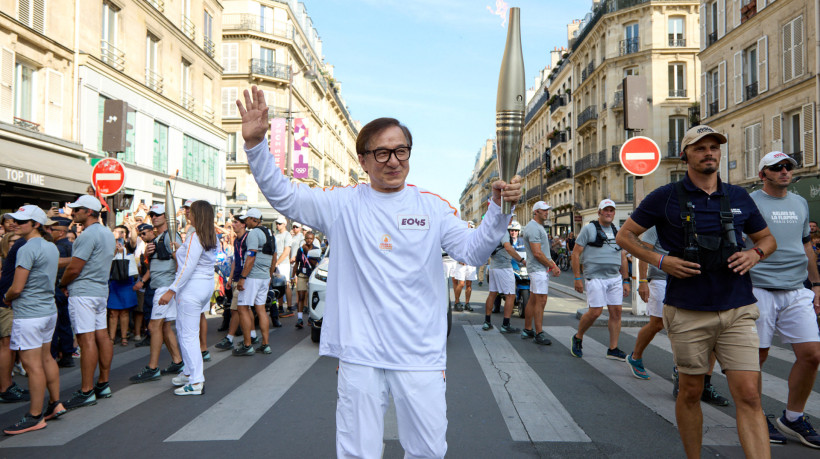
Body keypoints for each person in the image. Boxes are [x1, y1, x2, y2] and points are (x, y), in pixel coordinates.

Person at [236, 87, 521, 458]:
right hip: (361, 354)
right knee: (358, 453)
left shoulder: (432, 209)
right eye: (382, 152)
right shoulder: (342, 205)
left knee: (428, 452)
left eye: (401, 150)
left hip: (419, 355)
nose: (393, 160)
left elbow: (473, 250)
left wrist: (498, 210)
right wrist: (257, 146)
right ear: (363, 159)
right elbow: (285, 196)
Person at [616, 125, 776, 459]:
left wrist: (754, 253)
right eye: (700, 147)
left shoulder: (738, 196)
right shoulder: (666, 196)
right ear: (685, 155)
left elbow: (767, 239)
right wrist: (661, 260)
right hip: (688, 309)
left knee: (749, 395)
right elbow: (626, 236)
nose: (709, 153)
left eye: (714, 147)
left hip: (737, 308)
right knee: (690, 391)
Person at [748, 151, 820, 448]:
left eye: (788, 167)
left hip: (796, 289)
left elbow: (806, 246)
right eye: (776, 168)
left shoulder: (800, 202)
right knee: (757, 358)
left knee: (812, 355)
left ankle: (792, 417)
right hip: (758, 287)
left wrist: (816, 285)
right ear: (763, 173)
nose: (784, 171)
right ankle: (756, 415)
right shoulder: (750, 201)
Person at [2, 206, 66, 434]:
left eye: (23, 221)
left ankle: (35, 415)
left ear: (36, 224)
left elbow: (17, 287)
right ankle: (55, 403)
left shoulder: (28, 248)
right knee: (47, 358)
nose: (16, 224)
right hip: (48, 310)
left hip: (29, 313)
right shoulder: (50, 246)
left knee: (32, 365)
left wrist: (6, 297)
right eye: (16, 220)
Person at [60, 195, 115, 410]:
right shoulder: (107, 233)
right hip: (100, 290)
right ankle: (103, 383)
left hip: (83, 291)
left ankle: (86, 390)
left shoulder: (87, 235)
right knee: (102, 335)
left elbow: (74, 268)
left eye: (77, 210)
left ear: (89, 212)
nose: (73, 213)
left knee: (86, 340)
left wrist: (62, 284)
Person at [158, 200, 217, 395]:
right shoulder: (209, 236)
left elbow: (187, 267)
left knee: (188, 334)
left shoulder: (195, 237)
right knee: (185, 331)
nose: (186, 213)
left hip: (191, 289)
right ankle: (189, 371)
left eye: (189, 211)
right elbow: (194, 260)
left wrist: (171, 290)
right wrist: (180, 248)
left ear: (197, 214)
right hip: (204, 287)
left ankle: (197, 381)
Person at [129, 205, 185, 383]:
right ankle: (177, 361)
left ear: (166, 216)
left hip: (165, 287)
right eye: (151, 215)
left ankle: (152, 368)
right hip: (161, 285)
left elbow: (181, 262)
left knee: (154, 327)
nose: (153, 217)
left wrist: (173, 289)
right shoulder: (159, 238)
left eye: (157, 214)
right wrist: (147, 255)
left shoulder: (170, 235)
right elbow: (154, 266)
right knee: (165, 326)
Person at [570, 199, 630, 360]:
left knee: (616, 312)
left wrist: (626, 280)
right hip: (594, 277)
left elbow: (622, 256)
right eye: (606, 210)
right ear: (599, 212)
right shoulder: (589, 229)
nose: (609, 213)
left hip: (614, 278)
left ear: (614, 213)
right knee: (595, 312)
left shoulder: (618, 231)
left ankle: (613, 348)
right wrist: (577, 278)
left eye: (611, 210)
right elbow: (575, 254)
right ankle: (578, 337)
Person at [233, 208, 273, 356]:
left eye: (247, 219)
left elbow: (251, 257)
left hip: (253, 276)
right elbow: (274, 256)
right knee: (261, 309)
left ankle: (247, 345)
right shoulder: (269, 233)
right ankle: (265, 344)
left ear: (253, 219)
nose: (245, 222)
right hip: (264, 277)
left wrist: (242, 278)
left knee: (243, 308)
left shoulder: (254, 234)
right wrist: (269, 275)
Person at [520, 202, 561, 345]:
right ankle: (539, 333)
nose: (547, 212)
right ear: (536, 212)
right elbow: (537, 253)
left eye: (547, 210)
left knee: (533, 299)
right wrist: (552, 266)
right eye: (544, 210)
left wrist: (552, 264)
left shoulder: (537, 227)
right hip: (537, 269)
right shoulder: (533, 228)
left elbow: (543, 251)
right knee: (540, 300)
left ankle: (527, 329)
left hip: (539, 268)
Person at [0, 223, 28, 403]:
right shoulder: (3, 260)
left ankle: (8, 384)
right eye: (12, 242)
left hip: (10, 304)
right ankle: (5, 388)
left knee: (10, 346)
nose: (15, 244)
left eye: (17, 241)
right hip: (4, 304)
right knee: (6, 345)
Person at [482, 221, 524, 333]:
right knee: (510, 295)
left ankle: (487, 322)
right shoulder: (503, 231)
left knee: (492, 293)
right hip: (504, 267)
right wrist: (521, 260)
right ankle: (506, 325)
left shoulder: (492, 230)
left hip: (493, 266)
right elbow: (508, 248)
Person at [50, 217, 76, 368]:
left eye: (52, 230)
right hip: (67, 288)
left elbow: (57, 270)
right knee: (65, 323)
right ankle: (67, 354)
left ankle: (53, 354)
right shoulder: (72, 246)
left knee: (56, 324)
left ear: (60, 232)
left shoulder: (58, 247)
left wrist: (62, 285)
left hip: (59, 288)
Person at [108, 225, 138, 346]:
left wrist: (133, 228)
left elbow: (134, 241)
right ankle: (111, 337)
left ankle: (124, 336)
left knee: (125, 312)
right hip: (114, 282)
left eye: (122, 232)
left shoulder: (128, 246)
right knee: (113, 312)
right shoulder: (108, 245)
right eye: (116, 231)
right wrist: (115, 251)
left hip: (126, 282)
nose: (119, 234)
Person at [292, 231, 317, 329]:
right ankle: (300, 318)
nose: (309, 240)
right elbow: (297, 263)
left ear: (313, 239)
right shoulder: (300, 249)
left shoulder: (316, 250)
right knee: (301, 296)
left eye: (311, 238)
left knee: (311, 297)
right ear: (304, 239)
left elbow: (315, 264)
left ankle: (311, 317)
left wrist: (307, 251)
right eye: (307, 238)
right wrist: (293, 276)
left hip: (312, 275)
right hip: (302, 274)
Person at [273, 216, 293, 316]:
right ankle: (280, 307)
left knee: (286, 285)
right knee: (278, 285)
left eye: (280, 223)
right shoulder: (276, 235)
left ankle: (289, 307)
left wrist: (277, 263)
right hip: (276, 263)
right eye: (277, 223)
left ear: (285, 224)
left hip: (283, 263)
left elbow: (286, 252)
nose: (278, 225)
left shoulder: (287, 235)